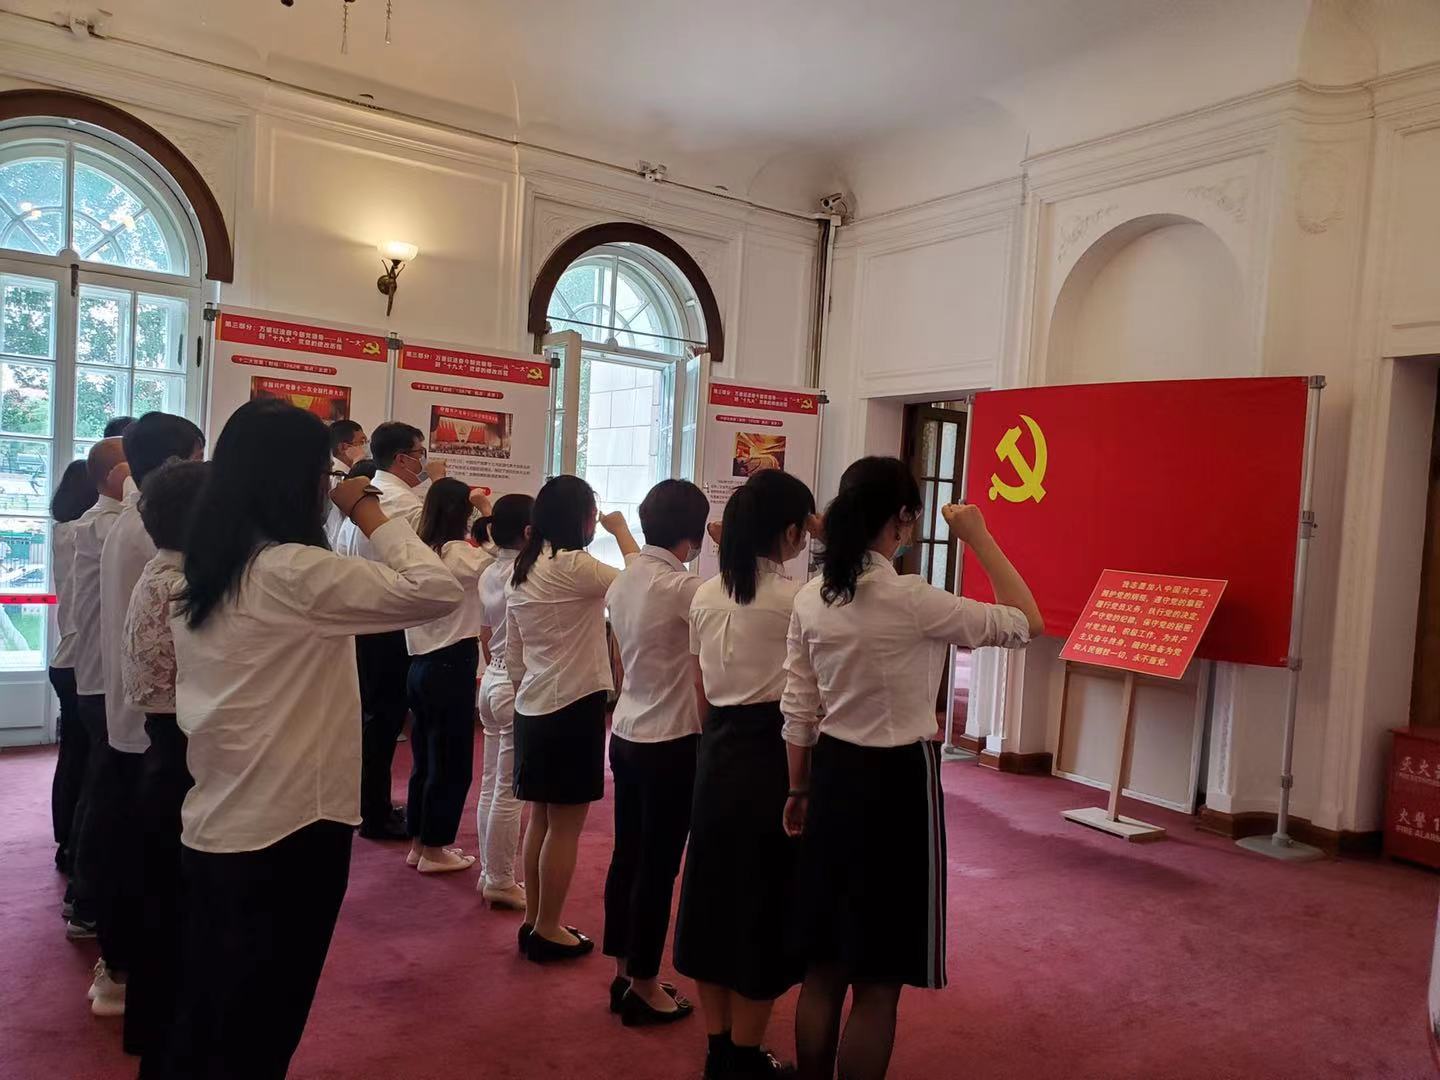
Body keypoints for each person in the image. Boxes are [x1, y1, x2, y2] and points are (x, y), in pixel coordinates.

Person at [163, 400, 463, 1080]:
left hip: (220, 818)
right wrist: (368, 510)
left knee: (211, 1014)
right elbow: (436, 589)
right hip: (291, 827)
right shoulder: (291, 571)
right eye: (324, 473)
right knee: (261, 1024)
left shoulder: (209, 567)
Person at [782, 457, 1042, 1080]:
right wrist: (977, 536)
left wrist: (797, 788)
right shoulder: (915, 599)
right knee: (879, 978)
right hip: (899, 784)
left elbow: (798, 707)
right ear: (903, 518)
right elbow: (1026, 622)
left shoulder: (811, 598)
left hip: (832, 773)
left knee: (824, 966)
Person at [676, 469, 819, 1079]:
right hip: (773, 754)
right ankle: (743, 1054)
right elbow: (809, 700)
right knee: (763, 903)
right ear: (791, 532)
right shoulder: (798, 599)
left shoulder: (706, 594)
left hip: (717, 751)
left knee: (711, 899)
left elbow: (700, 688)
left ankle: (719, 1049)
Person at [93, 413, 205, 1036]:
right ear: (175, 464)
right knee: (147, 862)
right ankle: (123, 970)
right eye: (197, 457)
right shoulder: (152, 528)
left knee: (133, 848)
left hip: (136, 712)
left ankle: (121, 968)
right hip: (150, 720)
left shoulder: (134, 520)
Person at [506, 475, 639, 963]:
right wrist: (622, 530)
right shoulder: (575, 566)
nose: (595, 520)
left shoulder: (525, 566)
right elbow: (642, 585)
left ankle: (535, 921)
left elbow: (514, 651)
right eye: (593, 513)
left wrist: (525, 690)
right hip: (572, 705)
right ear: (579, 518)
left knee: (541, 818)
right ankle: (548, 928)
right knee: (564, 826)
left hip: (533, 704)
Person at [602, 480, 710, 1026]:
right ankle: (644, 984)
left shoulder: (626, 578)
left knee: (628, 857)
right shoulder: (686, 588)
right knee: (657, 867)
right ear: (694, 536)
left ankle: (625, 972)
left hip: (626, 730)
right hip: (671, 740)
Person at [120, 459, 208, 1077]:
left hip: (164, 749)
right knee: (177, 905)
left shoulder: (160, 571)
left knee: (160, 900)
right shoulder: (183, 584)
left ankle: (153, 1029)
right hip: (179, 751)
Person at [335, 421, 446, 840]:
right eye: (420, 453)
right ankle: (374, 812)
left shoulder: (367, 494)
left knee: (375, 720)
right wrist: (440, 486)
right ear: (402, 458)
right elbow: (431, 559)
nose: (425, 460)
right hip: (388, 623)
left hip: (365, 620)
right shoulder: (399, 503)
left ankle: (370, 805)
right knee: (383, 721)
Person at [403, 477, 494, 873]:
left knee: (424, 759)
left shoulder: (420, 551)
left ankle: (420, 843)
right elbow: (503, 556)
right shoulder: (458, 553)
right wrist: (489, 512)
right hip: (450, 661)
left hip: (419, 662)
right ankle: (435, 848)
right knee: (451, 761)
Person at [66, 437, 127, 995]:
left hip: (101, 681)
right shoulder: (107, 525)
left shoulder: (108, 522)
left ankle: (84, 897)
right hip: (102, 682)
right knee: (105, 796)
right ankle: (87, 902)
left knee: (98, 789)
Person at [474, 494, 533, 911]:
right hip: (513, 681)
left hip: (491, 677)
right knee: (508, 792)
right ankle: (499, 878)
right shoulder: (525, 574)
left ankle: (489, 871)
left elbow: (484, 633)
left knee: (491, 783)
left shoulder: (490, 571)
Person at [49, 459, 98, 883]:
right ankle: (73, 845)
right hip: (82, 660)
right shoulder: (87, 532)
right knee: (87, 761)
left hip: (65, 656)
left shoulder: (63, 531)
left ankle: (65, 839)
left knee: (72, 756)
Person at [325, 420, 368, 547]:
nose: (366, 447)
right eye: (362, 442)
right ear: (344, 447)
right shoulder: (335, 477)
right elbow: (336, 523)